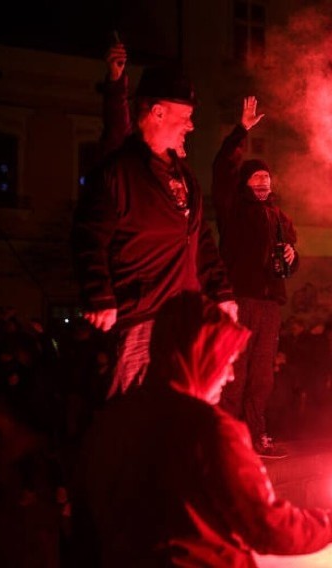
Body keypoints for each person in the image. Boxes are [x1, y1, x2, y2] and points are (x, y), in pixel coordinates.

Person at [72, 291, 332, 566]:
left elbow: (85, 528)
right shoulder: (211, 430)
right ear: (200, 355)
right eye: (225, 362)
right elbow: (266, 526)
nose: (230, 376)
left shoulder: (109, 423)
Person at [71, 63, 237, 400]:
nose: (191, 125)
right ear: (157, 112)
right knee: (138, 414)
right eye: (185, 116)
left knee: (186, 411)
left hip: (184, 317)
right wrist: (99, 295)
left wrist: (221, 291)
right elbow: (89, 238)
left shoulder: (183, 174)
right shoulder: (119, 172)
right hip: (141, 320)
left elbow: (200, 239)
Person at [212, 97, 298, 458]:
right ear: (246, 182)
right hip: (242, 298)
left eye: (267, 178)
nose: (263, 183)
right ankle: (226, 441)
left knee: (263, 377)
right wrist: (241, 131)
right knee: (237, 372)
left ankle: (255, 435)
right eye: (257, 177)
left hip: (269, 304)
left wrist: (293, 257)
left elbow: (288, 261)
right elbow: (222, 169)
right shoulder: (233, 208)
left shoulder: (280, 217)